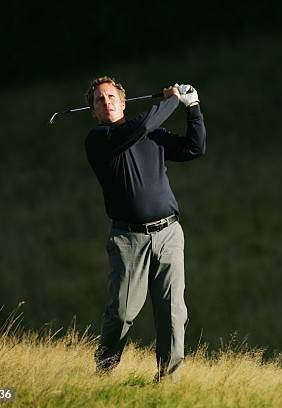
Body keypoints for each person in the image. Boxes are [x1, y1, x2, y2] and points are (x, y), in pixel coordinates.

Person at [84, 76, 206, 382]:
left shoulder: (152, 135)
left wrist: (192, 108)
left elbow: (194, 148)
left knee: (172, 314)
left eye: (111, 97)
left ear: (123, 103)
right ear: (94, 112)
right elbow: (138, 127)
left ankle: (169, 384)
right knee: (122, 313)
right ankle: (103, 374)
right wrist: (170, 100)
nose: (107, 103)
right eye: (100, 100)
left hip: (168, 235)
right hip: (127, 239)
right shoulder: (99, 139)